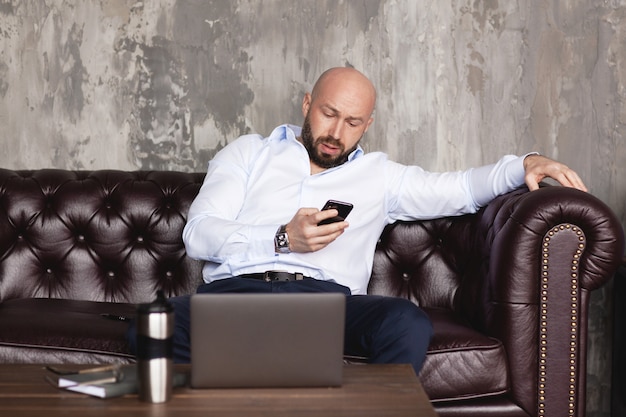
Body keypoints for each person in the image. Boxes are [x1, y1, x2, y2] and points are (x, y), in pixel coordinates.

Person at [136, 67, 587, 374]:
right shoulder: (249, 153)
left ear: (367, 125)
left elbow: (463, 189)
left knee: (406, 323)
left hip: (328, 306)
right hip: (237, 298)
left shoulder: (380, 177)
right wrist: (281, 237)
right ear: (307, 102)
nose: (336, 133)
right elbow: (199, 234)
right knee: (151, 326)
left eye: (352, 122)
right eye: (328, 114)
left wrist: (527, 162)